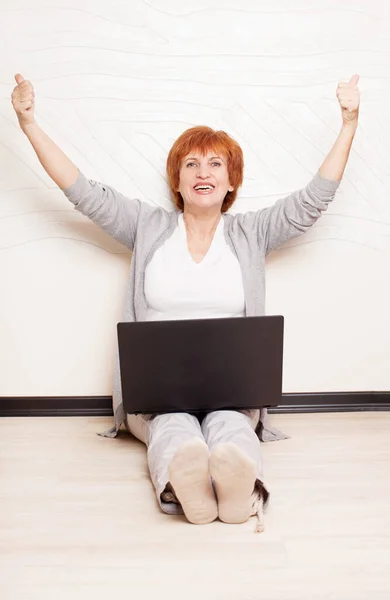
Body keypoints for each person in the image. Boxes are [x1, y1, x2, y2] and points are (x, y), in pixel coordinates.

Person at [11, 73, 360, 530]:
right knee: (173, 427)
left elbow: (312, 201)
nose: (203, 173)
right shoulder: (146, 226)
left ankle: (240, 494)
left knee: (231, 427)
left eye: (216, 164)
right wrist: (29, 123)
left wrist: (349, 123)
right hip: (157, 395)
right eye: (192, 164)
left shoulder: (251, 232)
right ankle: (184, 490)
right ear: (176, 179)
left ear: (231, 180)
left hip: (232, 391)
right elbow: (82, 192)